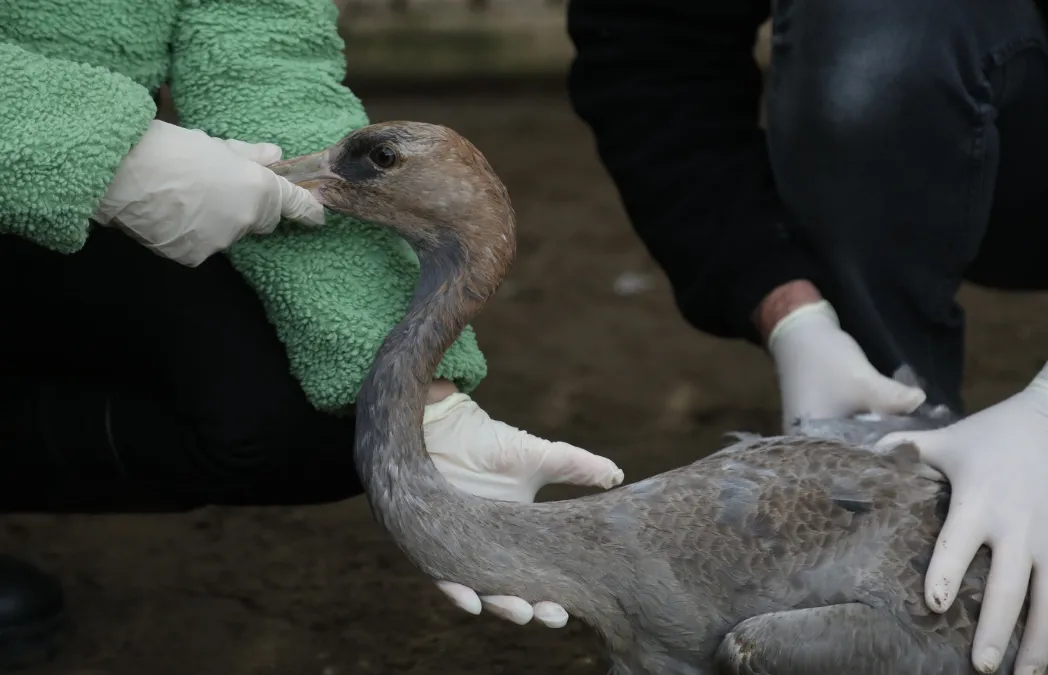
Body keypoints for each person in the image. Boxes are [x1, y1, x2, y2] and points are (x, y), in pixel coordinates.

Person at [562, 0, 1048, 674]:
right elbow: (646, 44)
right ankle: (907, 520)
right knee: (870, 40)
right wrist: (791, 313)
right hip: (1019, 129)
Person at [0, 0, 623, 668]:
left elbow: (265, 64)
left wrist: (428, 403)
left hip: (51, 204)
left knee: (306, 412)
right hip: (42, 152)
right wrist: (100, 149)